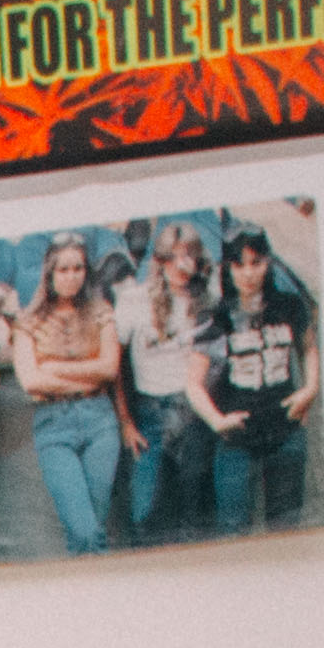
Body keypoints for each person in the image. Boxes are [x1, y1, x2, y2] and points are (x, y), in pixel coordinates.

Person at [9, 231, 131, 555]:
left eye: (78, 268)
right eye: (63, 270)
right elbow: (31, 381)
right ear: (49, 274)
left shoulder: (100, 310)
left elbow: (108, 368)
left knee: (91, 527)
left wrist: (54, 370)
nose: (72, 277)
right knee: (84, 526)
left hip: (99, 422)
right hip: (54, 424)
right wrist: (84, 379)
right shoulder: (28, 320)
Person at [199, 223, 322, 532]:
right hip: (237, 436)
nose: (248, 273)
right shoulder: (217, 316)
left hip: (285, 429)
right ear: (227, 268)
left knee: (285, 528)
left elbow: (308, 348)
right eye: (239, 264)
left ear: (269, 262)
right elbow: (193, 380)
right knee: (234, 529)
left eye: (256, 262)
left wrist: (310, 388)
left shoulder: (289, 306)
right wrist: (216, 420)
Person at [120, 217, 221, 542]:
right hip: (149, 410)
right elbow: (115, 366)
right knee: (144, 512)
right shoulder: (135, 299)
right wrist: (126, 421)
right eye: (173, 257)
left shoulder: (206, 302)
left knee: (195, 513)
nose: (182, 265)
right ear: (159, 261)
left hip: (191, 411)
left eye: (189, 256)